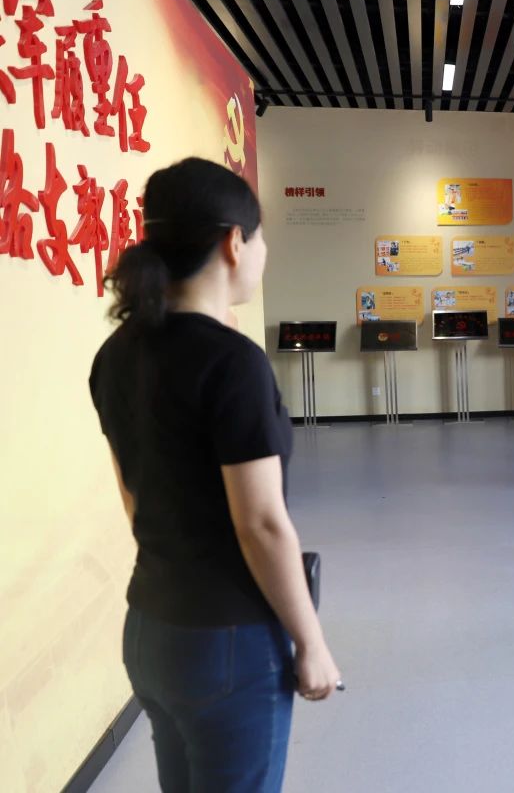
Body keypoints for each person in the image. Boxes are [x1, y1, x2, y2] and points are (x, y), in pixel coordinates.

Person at [88, 159, 341, 791]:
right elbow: (260, 524)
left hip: (149, 629)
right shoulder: (233, 363)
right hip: (228, 644)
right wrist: (310, 642)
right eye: (261, 238)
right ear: (234, 242)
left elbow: (133, 497)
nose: (263, 253)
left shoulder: (116, 353)